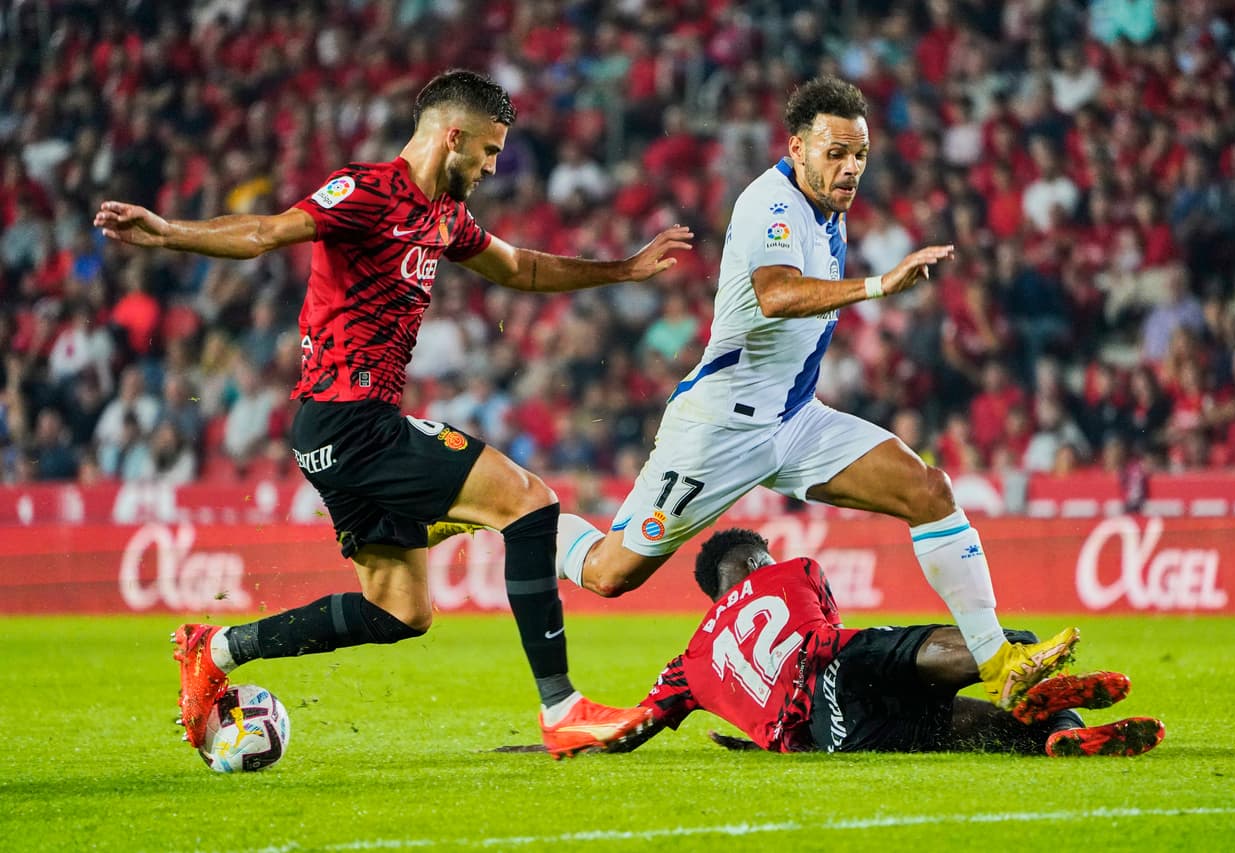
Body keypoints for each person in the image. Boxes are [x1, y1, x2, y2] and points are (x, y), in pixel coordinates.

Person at [94, 69, 693, 760]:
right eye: (491, 151)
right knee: (531, 503)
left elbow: (520, 268)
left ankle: (218, 648)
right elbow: (265, 231)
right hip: (353, 422)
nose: (495, 166)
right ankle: (563, 708)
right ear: (454, 135)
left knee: (401, 610)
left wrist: (622, 268)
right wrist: (168, 235)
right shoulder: (368, 190)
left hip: (333, 432)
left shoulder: (445, 212)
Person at [549, 76, 1078, 711]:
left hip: (796, 420)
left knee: (928, 490)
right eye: (835, 153)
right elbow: (776, 295)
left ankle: (999, 664)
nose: (850, 168)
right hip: (722, 428)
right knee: (611, 574)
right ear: (797, 147)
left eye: (860, 154)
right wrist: (881, 285)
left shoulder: (829, 210)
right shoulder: (770, 206)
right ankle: (523, 518)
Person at [622, 528, 1165, 757]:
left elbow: (625, 731)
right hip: (840, 666)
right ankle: (1021, 677)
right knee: (1002, 646)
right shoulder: (791, 570)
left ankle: (1061, 734)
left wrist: (548, 746)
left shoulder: (689, 662)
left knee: (981, 731)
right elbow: (831, 644)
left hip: (834, 733)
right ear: (753, 562)